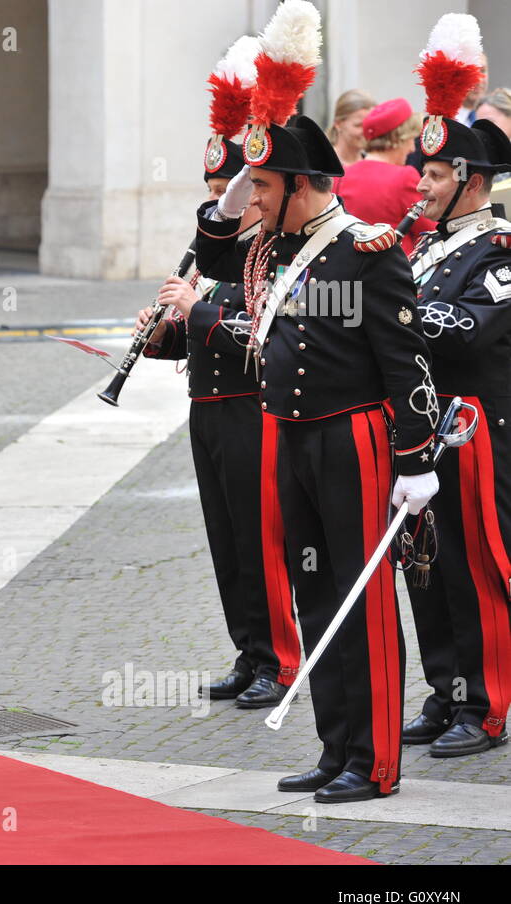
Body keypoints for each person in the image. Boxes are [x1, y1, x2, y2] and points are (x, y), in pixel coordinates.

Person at [157, 78, 438, 801]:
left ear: (300, 187)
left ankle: (372, 760)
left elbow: (405, 359)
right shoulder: (275, 251)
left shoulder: (364, 250)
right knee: (315, 596)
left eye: (263, 189)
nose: (251, 203)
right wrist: (236, 190)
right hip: (290, 437)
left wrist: (416, 457)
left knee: (362, 598)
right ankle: (335, 743)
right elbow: (215, 250)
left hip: (354, 441)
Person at [137, 139, 299, 708]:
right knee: (225, 539)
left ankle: (279, 660)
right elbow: (201, 338)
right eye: (210, 196)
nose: (217, 209)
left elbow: (257, 337)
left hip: (249, 414)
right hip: (206, 413)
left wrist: (192, 308)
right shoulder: (218, 258)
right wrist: (161, 335)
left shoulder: (276, 258)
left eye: (227, 195)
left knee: (260, 541)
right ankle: (249, 652)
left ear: (256, 198)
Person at [399, 94, 511, 757]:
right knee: (425, 567)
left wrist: (397, 311)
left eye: (434, 175)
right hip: (422, 431)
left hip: (474, 434)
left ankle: (487, 703)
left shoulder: (498, 251)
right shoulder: (428, 252)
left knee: (475, 569)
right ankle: (445, 690)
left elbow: (470, 333)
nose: (421, 184)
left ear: (469, 180)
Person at [334, 99, 435, 255]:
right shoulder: (404, 176)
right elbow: (429, 231)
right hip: (395, 270)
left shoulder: (341, 176)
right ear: (396, 139)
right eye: (409, 139)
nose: (412, 148)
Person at [327, 89, 375, 170]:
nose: (367, 131)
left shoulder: (372, 164)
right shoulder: (324, 163)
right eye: (358, 125)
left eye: (370, 125)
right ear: (338, 124)